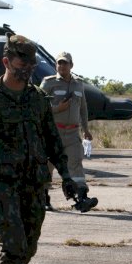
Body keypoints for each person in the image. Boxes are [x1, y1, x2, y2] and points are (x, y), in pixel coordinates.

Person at [0, 35, 78, 264]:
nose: (27, 69)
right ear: (7, 61)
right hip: (2, 185)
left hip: (35, 183)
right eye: (22, 63)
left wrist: (67, 176)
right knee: (13, 246)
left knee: (29, 247)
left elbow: (51, 139)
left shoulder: (37, 99)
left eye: (31, 64)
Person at [40, 52, 97, 212]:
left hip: (73, 133)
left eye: (65, 63)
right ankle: (44, 198)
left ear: (71, 65)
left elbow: (83, 108)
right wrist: (58, 108)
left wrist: (86, 129)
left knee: (76, 165)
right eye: (59, 63)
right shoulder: (48, 83)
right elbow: (39, 107)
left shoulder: (79, 84)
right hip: (53, 132)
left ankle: (82, 198)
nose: (62, 66)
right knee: (47, 166)